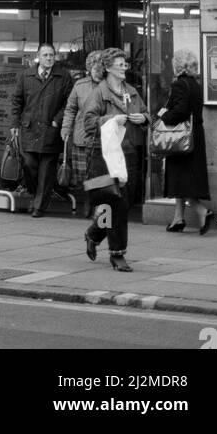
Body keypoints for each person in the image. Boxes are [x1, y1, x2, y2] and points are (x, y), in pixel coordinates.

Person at [82, 46, 150, 272]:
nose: (125, 68)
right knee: (116, 204)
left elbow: (147, 113)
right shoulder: (99, 92)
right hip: (108, 155)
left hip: (129, 152)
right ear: (108, 67)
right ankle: (117, 253)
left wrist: (144, 118)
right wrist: (111, 119)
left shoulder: (131, 90)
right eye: (121, 64)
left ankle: (94, 233)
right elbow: (89, 122)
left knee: (125, 201)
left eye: (125, 64)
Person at [9, 43, 73, 217]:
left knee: (46, 169)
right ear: (38, 56)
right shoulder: (26, 76)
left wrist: (57, 120)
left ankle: (39, 206)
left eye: (51, 55)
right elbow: (16, 101)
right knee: (29, 164)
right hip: (29, 128)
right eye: (45, 55)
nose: (49, 58)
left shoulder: (64, 76)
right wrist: (14, 124)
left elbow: (69, 103)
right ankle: (37, 194)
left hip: (50, 129)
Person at [157, 49, 213, 235]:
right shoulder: (195, 85)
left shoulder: (180, 84)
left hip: (181, 138)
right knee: (181, 176)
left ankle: (202, 210)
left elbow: (180, 111)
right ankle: (178, 219)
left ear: (178, 65)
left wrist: (165, 115)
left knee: (181, 178)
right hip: (194, 134)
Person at [60, 50, 105, 216]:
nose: (98, 71)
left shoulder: (110, 85)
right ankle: (88, 199)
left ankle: (97, 206)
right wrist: (66, 128)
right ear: (89, 68)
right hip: (81, 137)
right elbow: (70, 109)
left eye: (101, 67)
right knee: (83, 176)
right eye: (95, 67)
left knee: (99, 174)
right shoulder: (79, 85)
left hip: (102, 137)